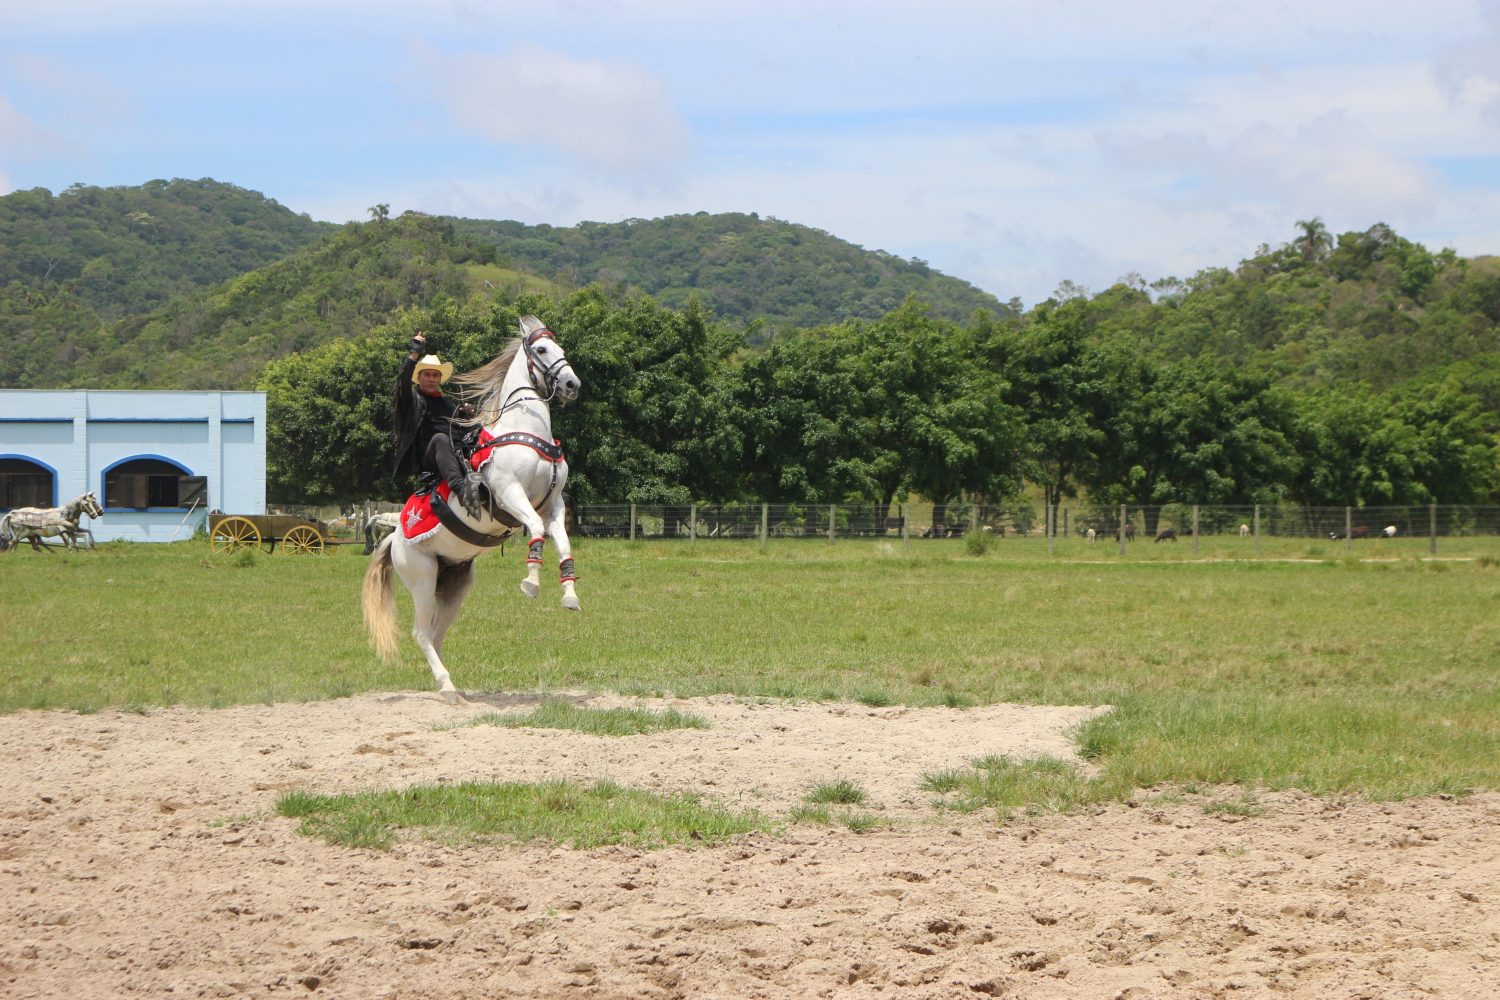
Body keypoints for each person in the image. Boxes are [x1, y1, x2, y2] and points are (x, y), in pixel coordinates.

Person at [392, 332, 485, 517]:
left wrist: (467, 416)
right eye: (427, 374)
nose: (431, 379)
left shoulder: (448, 404)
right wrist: (414, 352)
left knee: (481, 432)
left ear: (440, 379)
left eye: (435, 375)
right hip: (428, 459)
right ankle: (462, 491)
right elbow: (402, 384)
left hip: (454, 453)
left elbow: (463, 430)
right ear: (419, 377)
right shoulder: (411, 400)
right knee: (440, 439)